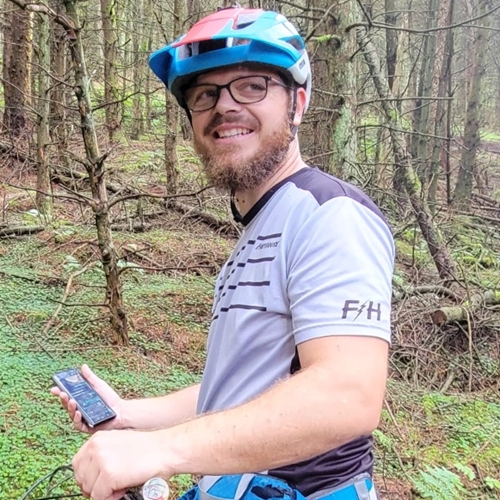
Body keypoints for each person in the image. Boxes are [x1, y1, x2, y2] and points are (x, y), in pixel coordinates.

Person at [51, 6, 394, 500]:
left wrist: (161, 450)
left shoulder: (330, 214)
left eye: (252, 86)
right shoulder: (261, 228)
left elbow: (347, 396)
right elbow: (242, 395)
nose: (224, 107)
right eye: (205, 94)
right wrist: (128, 415)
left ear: (297, 103)